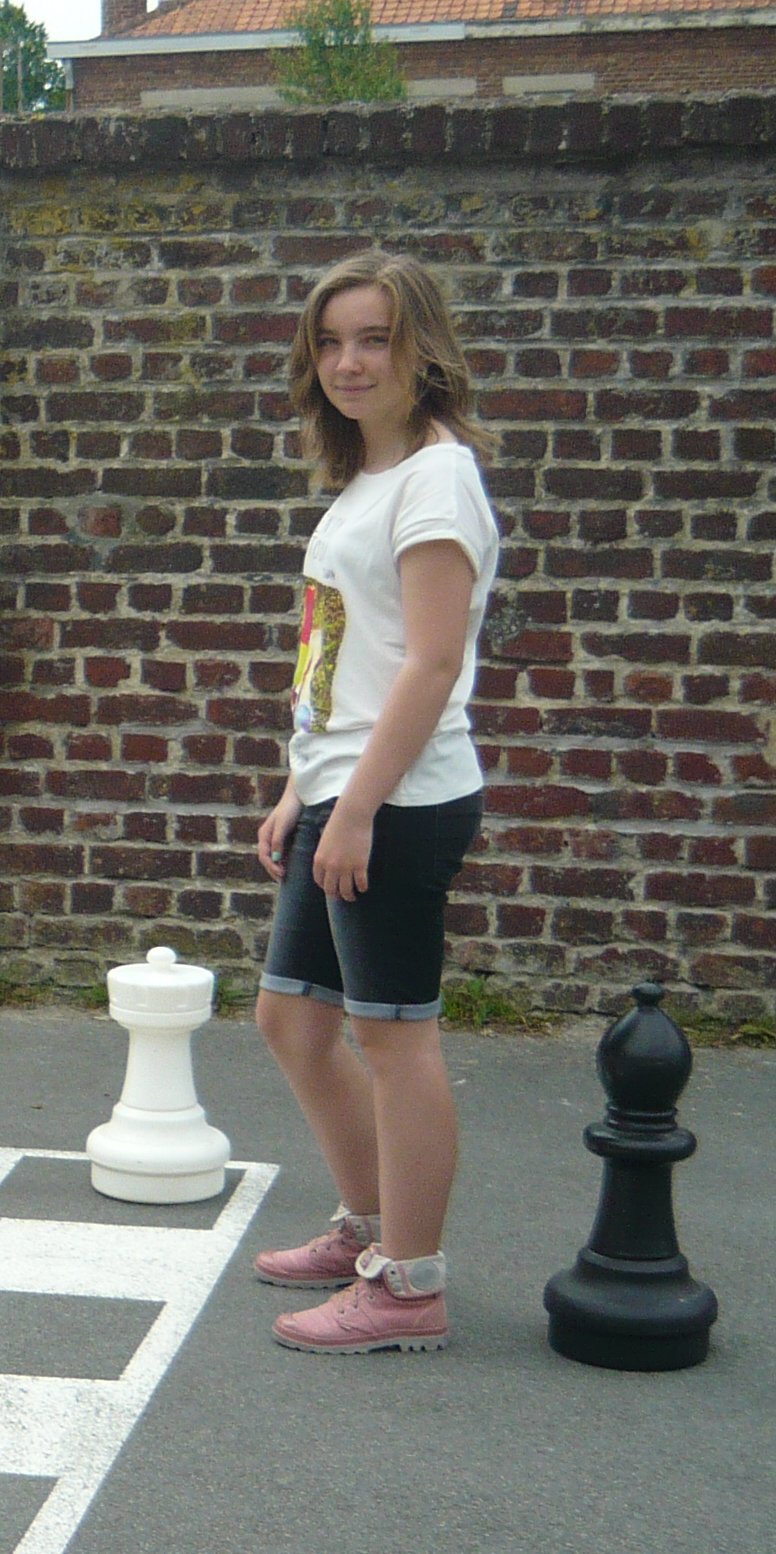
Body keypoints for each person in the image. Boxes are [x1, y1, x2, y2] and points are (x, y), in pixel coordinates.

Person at [248, 251, 502, 1354]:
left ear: (421, 350)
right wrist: (301, 786)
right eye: (331, 341)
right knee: (293, 1021)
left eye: (375, 339)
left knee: (394, 1039)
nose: (349, 362)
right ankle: (366, 1226)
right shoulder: (371, 479)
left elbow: (433, 663)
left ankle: (409, 1285)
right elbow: (343, 651)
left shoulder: (437, 478)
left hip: (395, 800)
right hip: (344, 787)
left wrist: (354, 809)